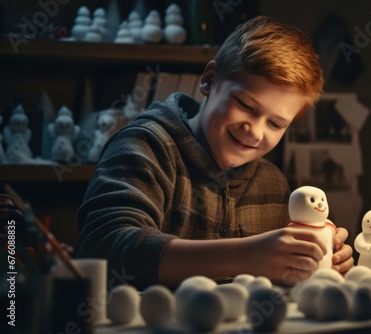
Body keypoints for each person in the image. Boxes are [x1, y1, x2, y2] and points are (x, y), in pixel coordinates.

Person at [75, 15, 354, 290]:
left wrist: (317, 260)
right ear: (209, 79)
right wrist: (247, 256)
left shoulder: (272, 183)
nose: (255, 132)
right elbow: (102, 247)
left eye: (275, 123)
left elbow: (281, 278)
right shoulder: (145, 147)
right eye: (246, 105)